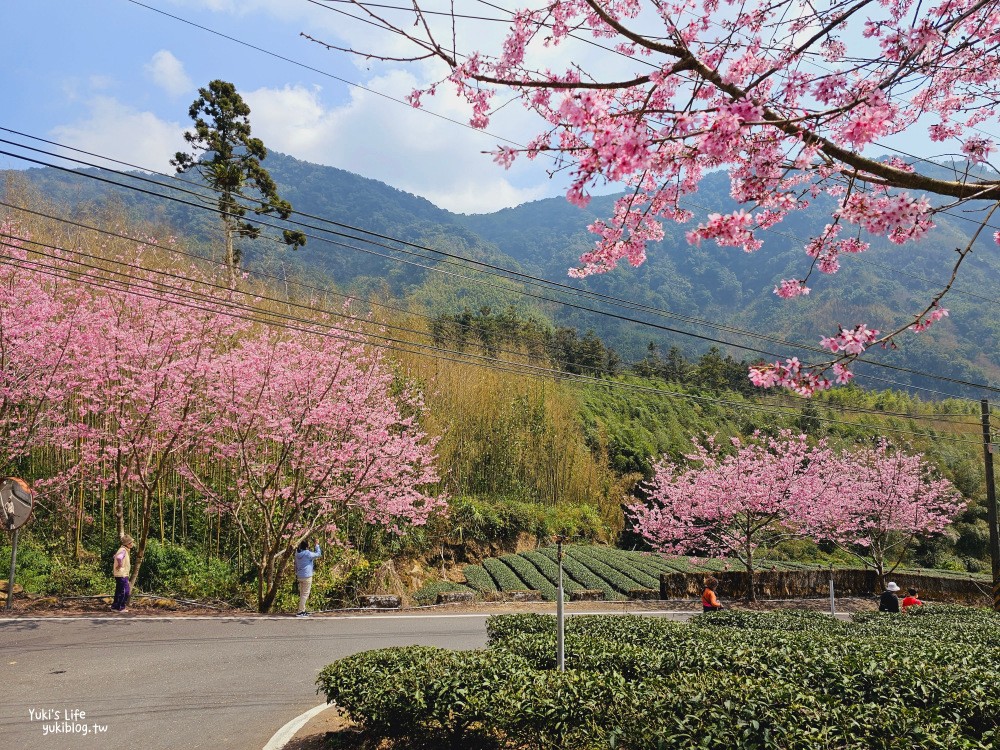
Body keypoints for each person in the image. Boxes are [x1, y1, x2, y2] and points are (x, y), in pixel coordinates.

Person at [294, 539, 322, 617]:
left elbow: (295, 565)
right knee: (305, 594)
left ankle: (302, 610)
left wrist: (296, 573)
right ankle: (300, 612)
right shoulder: (307, 553)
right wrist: (316, 545)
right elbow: (318, 554)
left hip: (300, 576)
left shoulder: (297, 554)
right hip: (307, 576)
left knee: (302, 594)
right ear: (306, 546)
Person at [111, 535, 134, 612]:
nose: (132, 543)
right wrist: (120, 565)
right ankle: (121, 607)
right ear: (127, 544)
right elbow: (118, 557)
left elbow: (115, 556)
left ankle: (115, 606)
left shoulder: (121, 549)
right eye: (131, 542)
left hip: (118, 574)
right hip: (122, 574)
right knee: (125, 590)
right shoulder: (123, 550)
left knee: (119, 590)